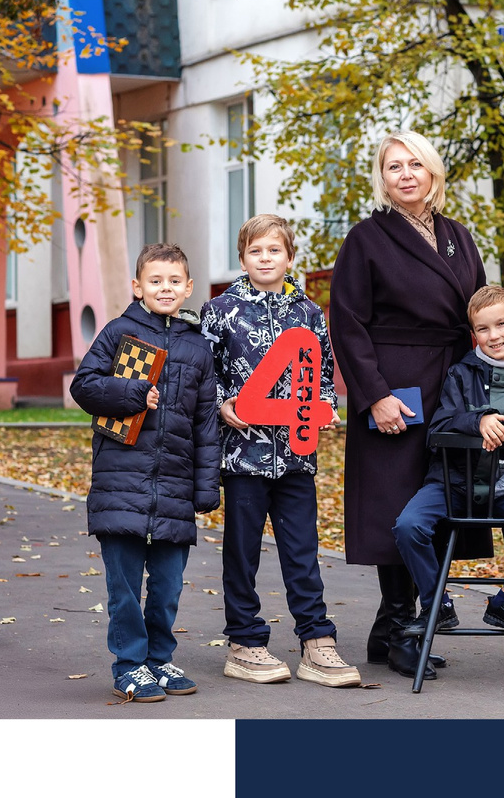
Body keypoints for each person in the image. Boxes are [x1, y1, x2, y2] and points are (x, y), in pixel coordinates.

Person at [328, 129, 504, 676]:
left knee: (445, 494)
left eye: (414, 165)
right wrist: (374, 396)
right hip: (395, 386)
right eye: (393, 167)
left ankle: (389, 626)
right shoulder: (365, 238)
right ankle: (406, 626)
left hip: (456, 382)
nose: (405, 174)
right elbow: (347, 322)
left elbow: (479, 311)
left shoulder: (457, 236)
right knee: (396, 504)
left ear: (433, 173)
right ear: (382, 179)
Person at [201, 214, 360, 688]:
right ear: (242, 257)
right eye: (256, 251)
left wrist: (326, 405)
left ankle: (317, 642)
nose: (265, 258)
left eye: (274, 251)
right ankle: (245, 641)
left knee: (302, 551)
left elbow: (324, 374)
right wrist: (221, 403)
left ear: (290, 258)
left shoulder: (309, 312)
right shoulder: (220, 311)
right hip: (244, 455)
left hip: (296, 455)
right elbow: (201, 374)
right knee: (242, 550)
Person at [389, 286, 504, 676]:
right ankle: (436, 605)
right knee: (408, 525)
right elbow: (439, 426)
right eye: (483, 329)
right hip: (452, 484)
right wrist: (479, 421)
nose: (494, 336)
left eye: (502, 324)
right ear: (474, 334)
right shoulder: (461, 372)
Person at [71, 243, 221, 704]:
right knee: (125, 588)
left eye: (175, 281)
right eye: (155, 281)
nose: (165, 288)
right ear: (137, 287)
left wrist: (205, 486)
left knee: (168, 587)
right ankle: (130, 666)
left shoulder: (199, 347)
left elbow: (206, 423)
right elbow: (85, 386)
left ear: (189, 287)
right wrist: (134, 392)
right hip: (122, 485)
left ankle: (159, 660)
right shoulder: (119, 332)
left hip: (174, 487)